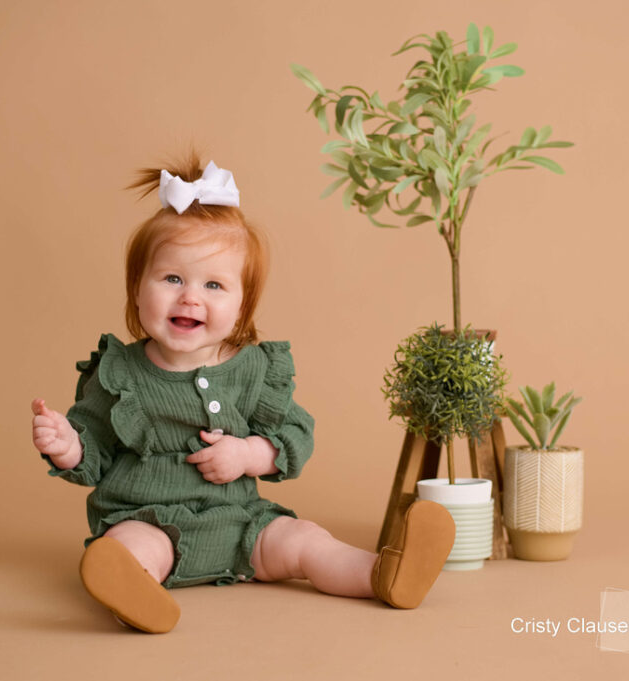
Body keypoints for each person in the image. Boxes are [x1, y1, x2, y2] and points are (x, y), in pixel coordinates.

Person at [30, 155, 455, 633]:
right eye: (172, 279)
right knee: (129, 546)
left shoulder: (253, 370)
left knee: (303, 540)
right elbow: (96, 450)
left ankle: (382, 573)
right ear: (136, 288)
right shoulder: (120, 372)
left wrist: (251, 453)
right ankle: (132, 591)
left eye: (214, 284)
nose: (191, 297)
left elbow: (296, 433)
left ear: (241, 306)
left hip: (240, 523)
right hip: (149, 519)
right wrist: (68, 445)